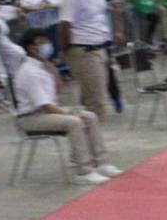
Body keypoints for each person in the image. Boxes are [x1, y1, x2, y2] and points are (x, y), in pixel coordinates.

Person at [13, 28, 121, 184]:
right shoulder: (29, 72)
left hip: (45, 112)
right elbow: (45, 105)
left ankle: (101, 163)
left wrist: (54, 73)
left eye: (46, 41)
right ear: (31, 48)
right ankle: (84, 171)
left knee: (89, 116)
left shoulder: (43, 66)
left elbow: (56, 92)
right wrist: (69, 114)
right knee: (74, 121)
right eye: (41, 42)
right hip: (30, 118)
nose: (46, 45)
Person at [59, 0, 116, 117]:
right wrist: (66, 51)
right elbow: (65, 25)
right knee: (97, 103)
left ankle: (86, 132)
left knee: (94, 99)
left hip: (100, 46)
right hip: (83, 49)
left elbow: (115, 2)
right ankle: (91, 133)